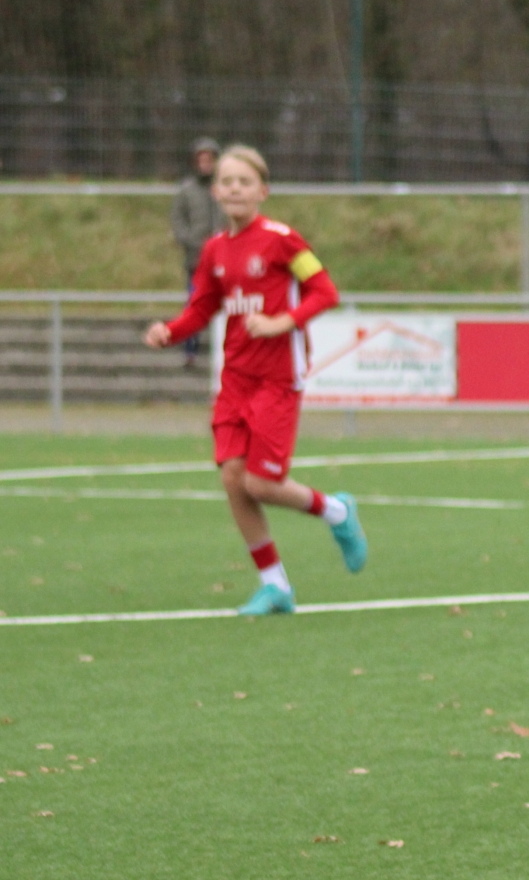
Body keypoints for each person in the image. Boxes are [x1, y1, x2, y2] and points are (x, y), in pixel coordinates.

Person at [143, 145, 367, 616]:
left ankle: (337, 511)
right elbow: (203, 307)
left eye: (244, 182)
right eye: (226, 182)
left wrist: (282, 322)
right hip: (235, 380)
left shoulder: (283, 241)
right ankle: (274, 585)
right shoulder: (213, 250)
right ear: (215, 191)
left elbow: (324, 291)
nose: (235, 189)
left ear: (262, 191)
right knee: (233, 479)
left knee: (263, 483)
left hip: (277, 379)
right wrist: (171, 331)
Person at [169, 137, 221, 369]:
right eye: (202, 160)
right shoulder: (186, 191)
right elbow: (178, 223)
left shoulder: (223, 188)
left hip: (225, 261)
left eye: (210, 159)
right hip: (197, 261)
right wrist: (195, 243)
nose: (206, 164)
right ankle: (190, 351)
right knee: (194, 305)